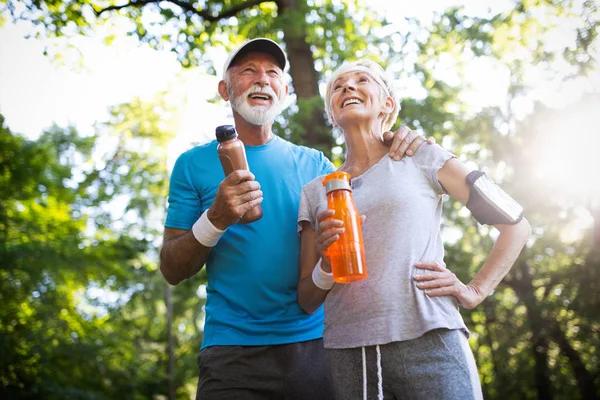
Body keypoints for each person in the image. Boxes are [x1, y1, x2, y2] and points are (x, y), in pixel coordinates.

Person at [159, 38, 430, 399]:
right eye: (248, 71)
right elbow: (171, 269)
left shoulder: (316, 166)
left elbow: (366, 220)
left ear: (284, 91)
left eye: (272, 73)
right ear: (225, 89)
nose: (262, 79)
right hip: (231, 355)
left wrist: (397, 136)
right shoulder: (191, 165)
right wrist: (216, 219)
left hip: (318, 346)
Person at [297, 59, 532, 400]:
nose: (347, 87)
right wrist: (327, 266)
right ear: (332, 115)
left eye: (362, 80)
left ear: (387, 104)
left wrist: (476, 290)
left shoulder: (422, 156)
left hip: (431, 337)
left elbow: (516, 225)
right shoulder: (315, 191)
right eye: (337, 86)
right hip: (350, 353)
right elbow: (306, 299)